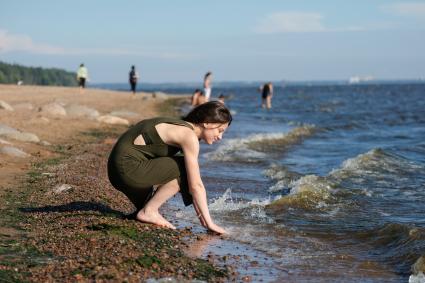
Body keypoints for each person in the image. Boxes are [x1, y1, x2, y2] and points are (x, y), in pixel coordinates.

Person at [107, 101, 232, 234]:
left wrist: (203, 219)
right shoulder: (188, 136)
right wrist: (210, 223)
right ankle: (149, 211)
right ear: (207, 122)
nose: (220, 137)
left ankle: (146, 210)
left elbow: (191, 184)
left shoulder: (179, 125)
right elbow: (196, 185)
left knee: (184, 170)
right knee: (183, 166)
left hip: (118, 171)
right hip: (127, 171)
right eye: (220, 130)